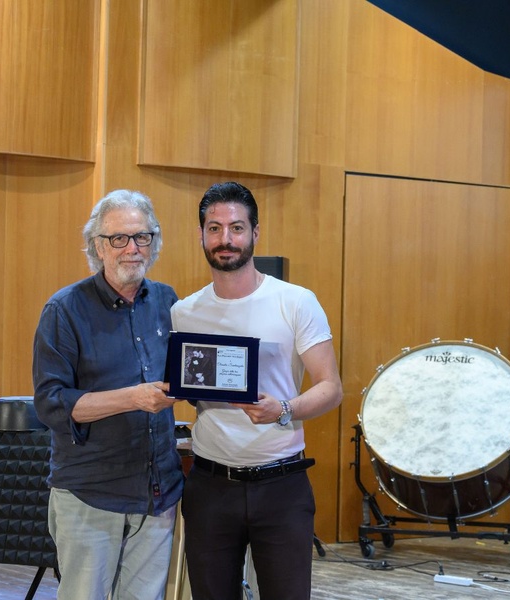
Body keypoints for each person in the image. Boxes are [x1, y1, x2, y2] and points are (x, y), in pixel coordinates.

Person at [170, 181, 343, 600]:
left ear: (255, 233)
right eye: (214, 228)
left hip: (281, 486)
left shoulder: (296, 301)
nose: (225, 239)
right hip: (210, 486)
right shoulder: (183, 312)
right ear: (201, 235)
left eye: (236, 228)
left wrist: (283, 408)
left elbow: (331, 388)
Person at [32, 189, 184, 600]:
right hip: (91, 494)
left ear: (154, 242)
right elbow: (51, 403)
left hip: (157, 493)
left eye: (142, 236)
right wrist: (133, 398)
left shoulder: (169, 302)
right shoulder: (64, 310)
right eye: (119, 238)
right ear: (97, 246)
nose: (132, 248)